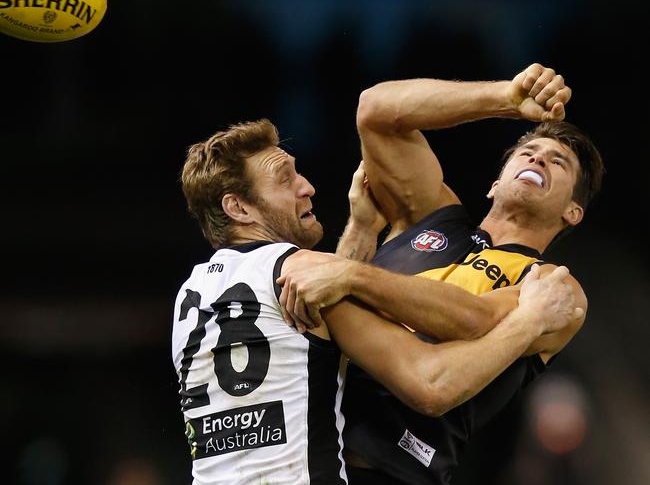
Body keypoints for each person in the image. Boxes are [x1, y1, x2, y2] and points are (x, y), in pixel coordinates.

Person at [171, 118, 581, 484]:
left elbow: (319, 337)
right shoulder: (298, 270)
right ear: (238, 207)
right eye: (284, 178)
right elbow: (431, 384)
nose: (306, 186)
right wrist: (529, 320)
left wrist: (363, 229)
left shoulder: (192, 293)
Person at [278, 63, 605, 484]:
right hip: (309, 456)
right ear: (494, 183)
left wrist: (351, 274)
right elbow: (376, 110)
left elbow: (474, 320)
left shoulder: (554, 287)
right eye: (527, 153)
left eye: (558, 163)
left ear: (572, 212)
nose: (538, 157)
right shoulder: (433, 216)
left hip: (393, 472)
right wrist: (505, 98)